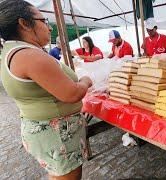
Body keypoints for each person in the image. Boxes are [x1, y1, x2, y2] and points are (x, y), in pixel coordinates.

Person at [0, 0, 92, 179]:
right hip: (56, 134)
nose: (49, 28)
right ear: (24, 23)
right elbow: (72, 94)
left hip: (44, 129)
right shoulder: (28, 55)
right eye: (44, 21)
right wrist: (86, 81)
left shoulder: (11, 51)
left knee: (58, 174)